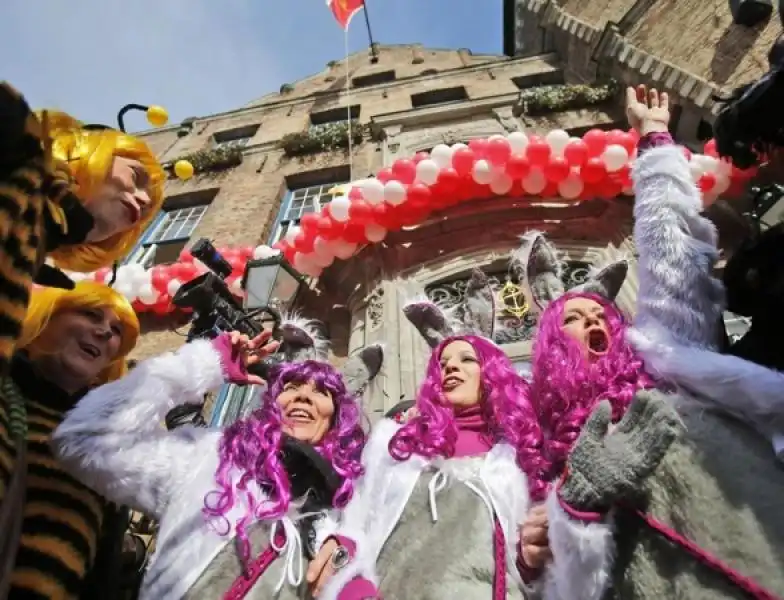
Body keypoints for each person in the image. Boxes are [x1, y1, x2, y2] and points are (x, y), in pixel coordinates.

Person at [516, 86, 784, 598]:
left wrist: (655, 140)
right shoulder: (536, 454)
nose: (597, 324)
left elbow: (671, 248)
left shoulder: (665, 363)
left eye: (604, 317)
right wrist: (552, 537)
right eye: (575, 318)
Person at [307, 269, 662, 600]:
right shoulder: (396, 443)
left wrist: (528, 559)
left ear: (491, 373)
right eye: (443, 364)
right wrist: (348, 575)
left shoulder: (518, 458)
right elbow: (354, 522)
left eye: (466, 360)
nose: (451, 369)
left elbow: (530, 564)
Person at [52, 317, 384, 599]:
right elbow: (83, 440)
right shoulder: (208, 453)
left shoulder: (344, 503)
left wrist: (349, 559)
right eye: (291, 385)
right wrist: (203, 365)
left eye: (321, 392)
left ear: (336, 416)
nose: (303, 397)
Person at [0, 81, 183, 376]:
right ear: (87, 152)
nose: (145, 198)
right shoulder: (12, 144)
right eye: (135, 176)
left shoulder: (27, 251)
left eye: (149, 208)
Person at [0, 280, 140, 599]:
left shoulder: (101, 451)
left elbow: (102, 576)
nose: (105, 332)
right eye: (91, 314)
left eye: (116, 330)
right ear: (46, 315)